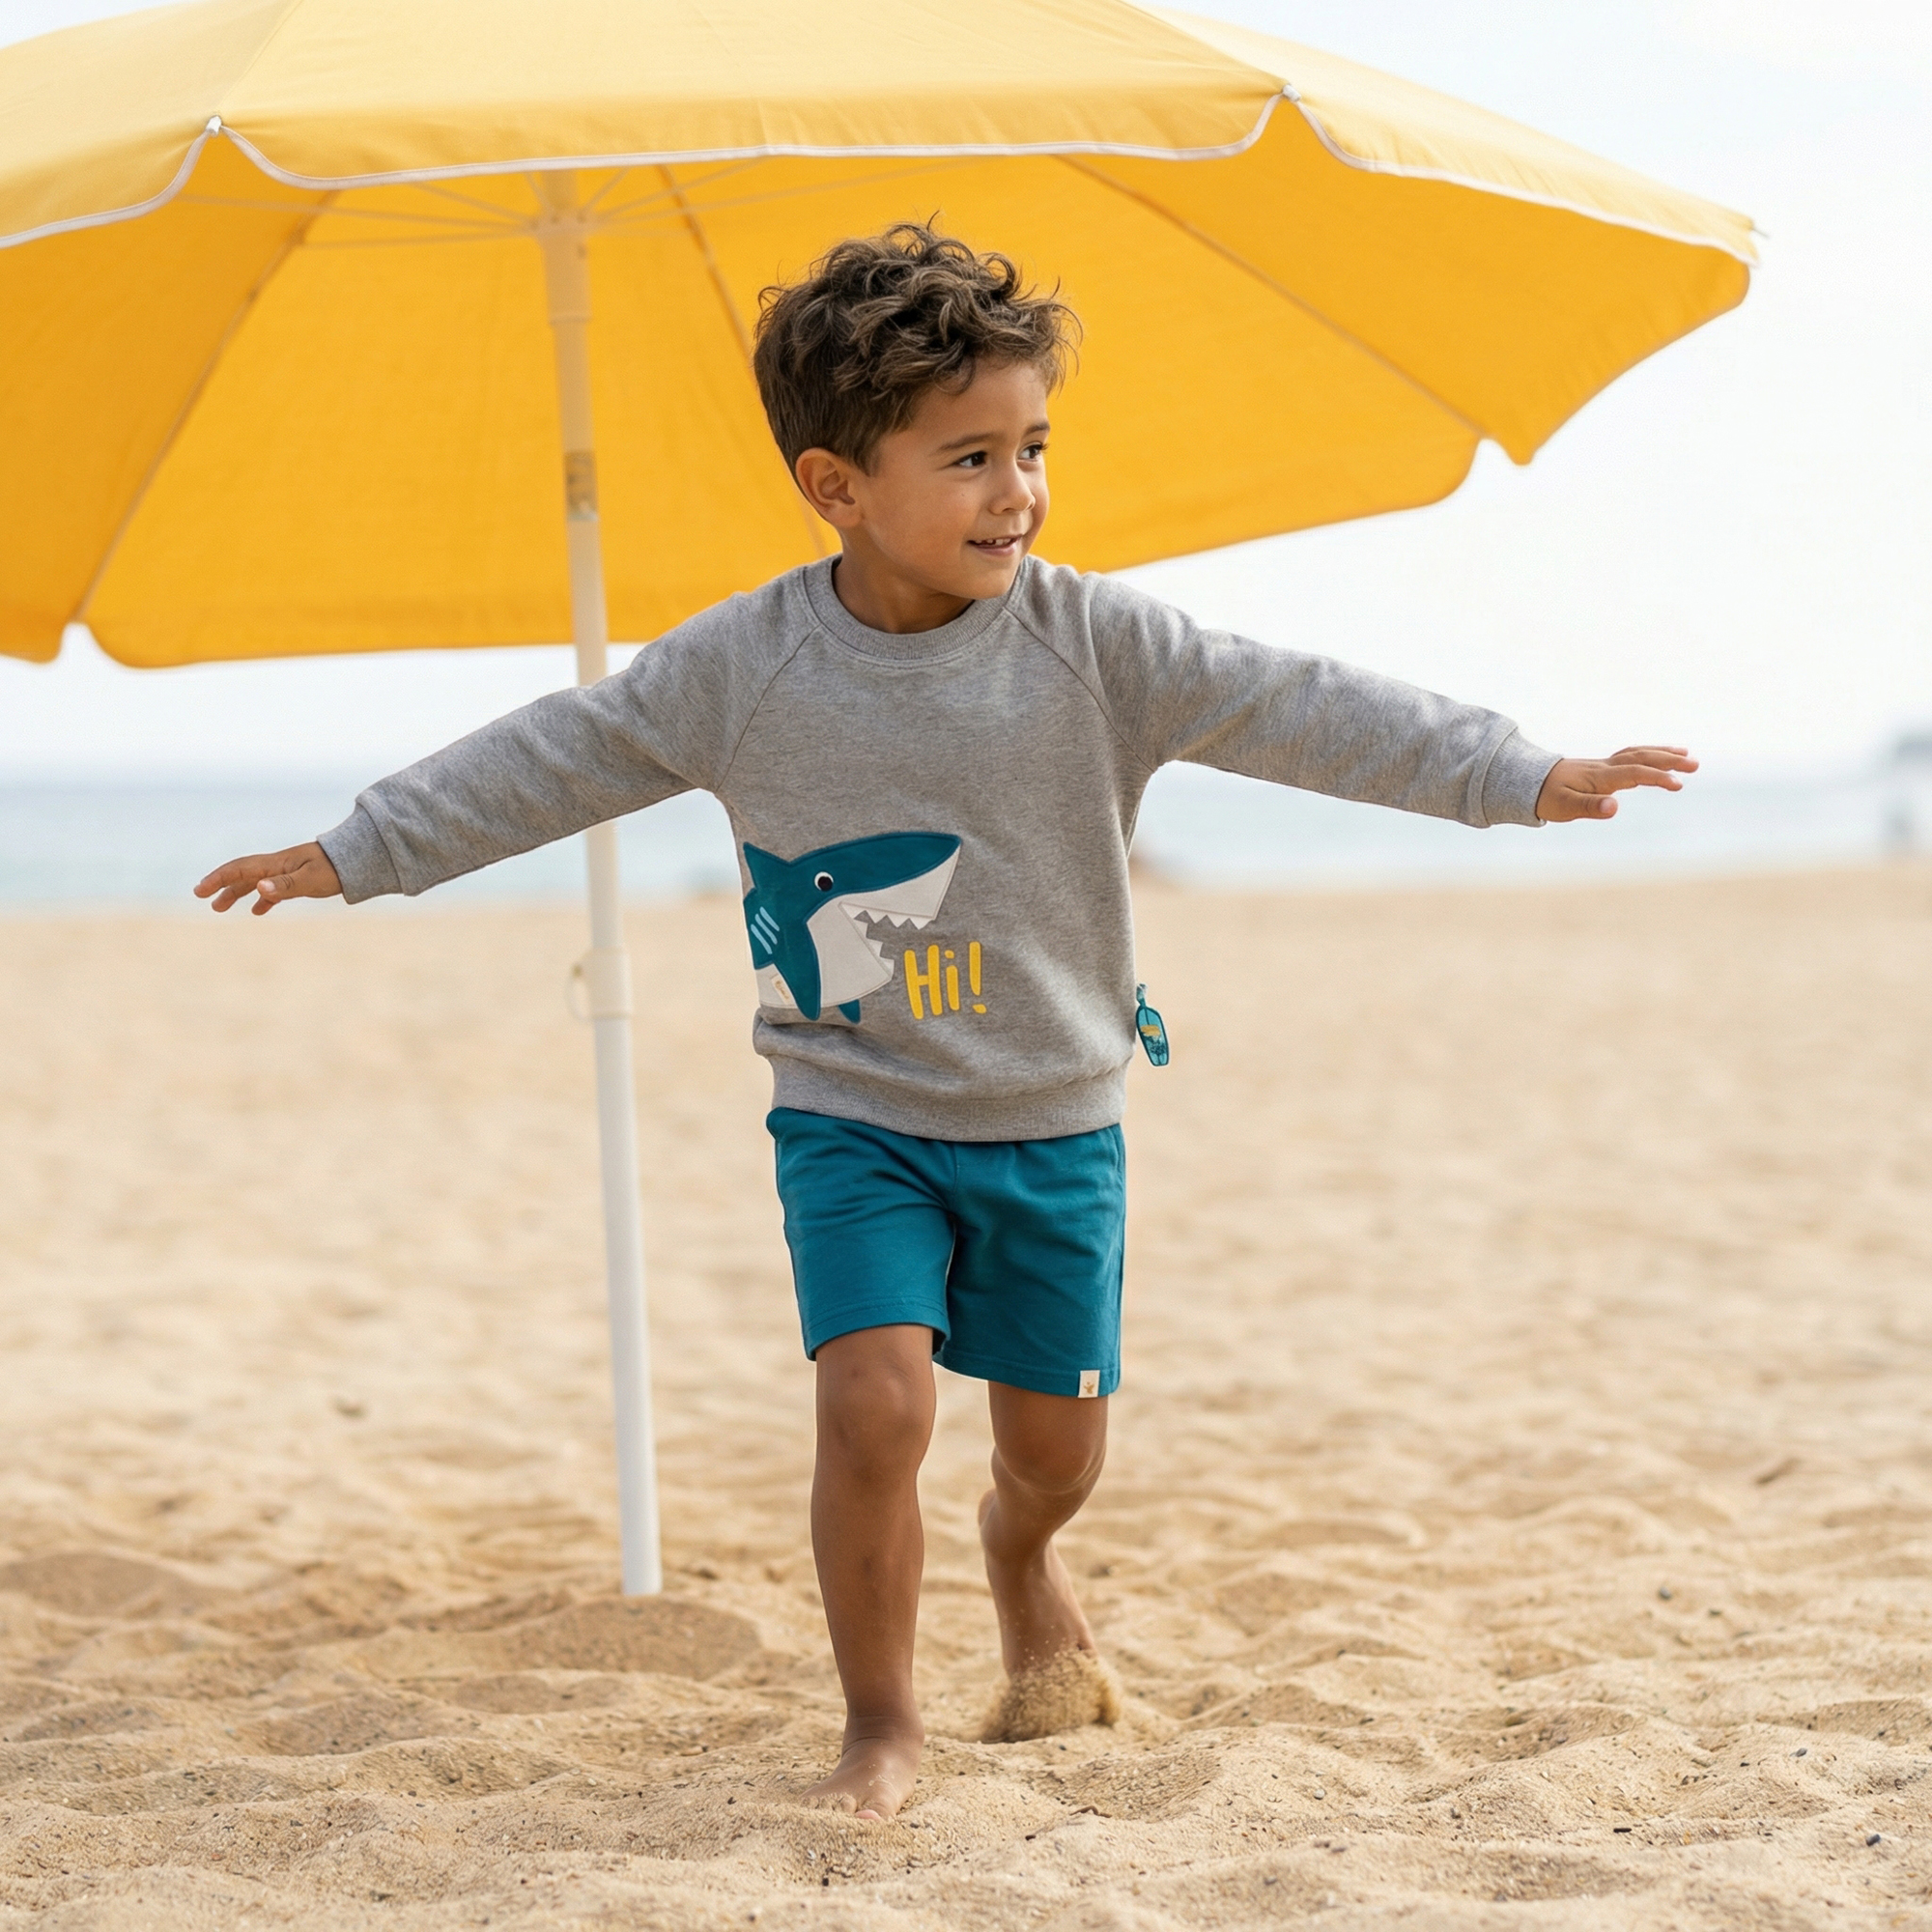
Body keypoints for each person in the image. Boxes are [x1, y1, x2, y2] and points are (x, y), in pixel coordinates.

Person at [196, 224, 1695, 1821]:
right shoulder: (742, 667)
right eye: (970, 457)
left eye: (1033, 448)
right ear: (836, 485)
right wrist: (365, 847)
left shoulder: (1098, 644)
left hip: (1053, 1112)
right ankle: (882, 1726)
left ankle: (1021, 1550)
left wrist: (1517, 775)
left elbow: (1305, 704)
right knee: (875, 1400)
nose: (1018, 493)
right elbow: (562, 752)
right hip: (852, 1108)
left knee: (1053, 1452)